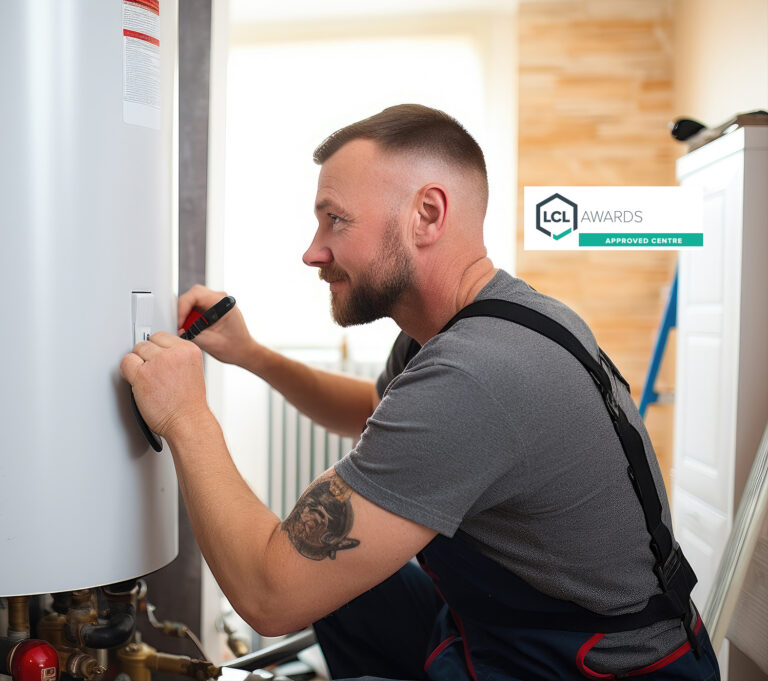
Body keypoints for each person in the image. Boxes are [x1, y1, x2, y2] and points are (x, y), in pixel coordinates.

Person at [120, 105, 720, 680]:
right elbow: (374, 414)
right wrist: (251, 355)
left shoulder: (477, 375)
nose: (313, 250)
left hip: (584, 667)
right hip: (510, 634)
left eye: (336, 219)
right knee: (344, 589)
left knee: (302, 575)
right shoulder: (470, 325)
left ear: (428, 214)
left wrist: (186, 417)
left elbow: (270, 598)